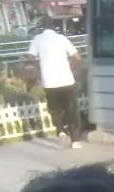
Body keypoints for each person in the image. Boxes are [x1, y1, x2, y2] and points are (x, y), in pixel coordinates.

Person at [27, 16, 82, 148]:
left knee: (54, 108)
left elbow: (30, 57)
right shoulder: (62, 38)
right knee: (71, 109)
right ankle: (75, 140)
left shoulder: (37, 39)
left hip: (49, 81)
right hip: (66, 79)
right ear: (54, 26)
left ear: (41, 27)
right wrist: (73, 69)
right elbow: (76, 56)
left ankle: (61, 130)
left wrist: (39, 66)